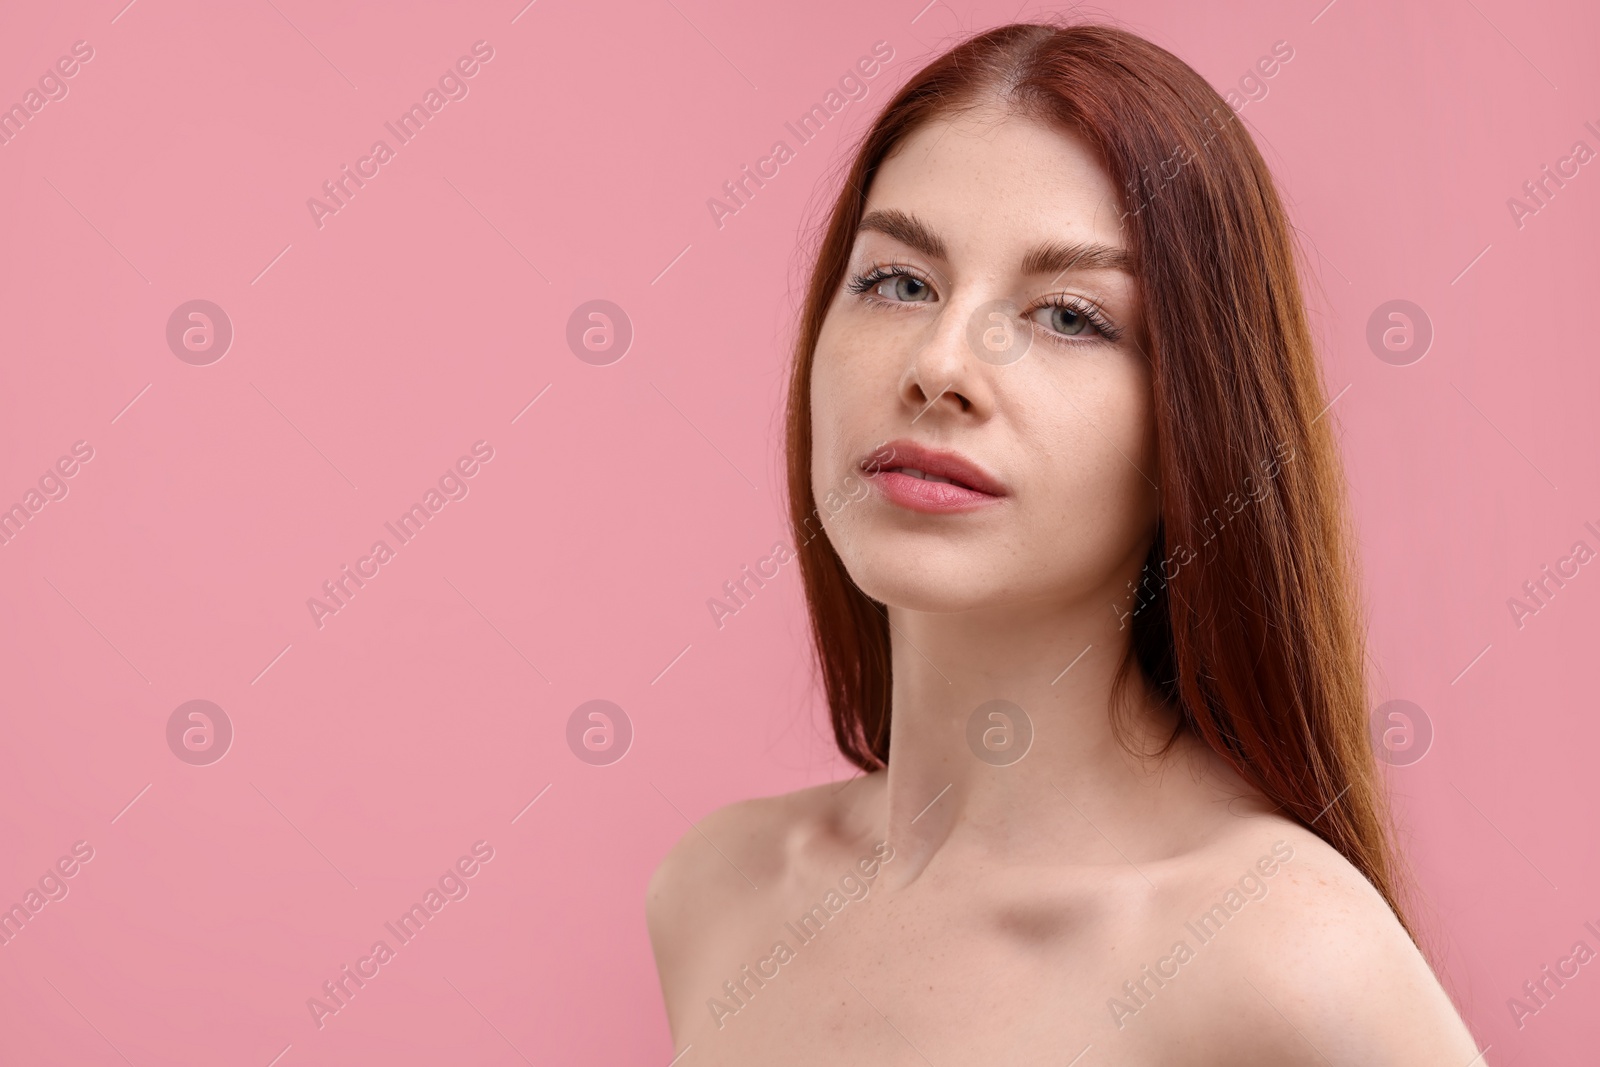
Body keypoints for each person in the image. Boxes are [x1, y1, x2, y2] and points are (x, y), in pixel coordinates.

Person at [648, 21, 1485, 1064]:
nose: (941, 362)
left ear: (1200, 423)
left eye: (1069, 316)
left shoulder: (1278, 950)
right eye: (898, 282)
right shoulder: (716, 892)